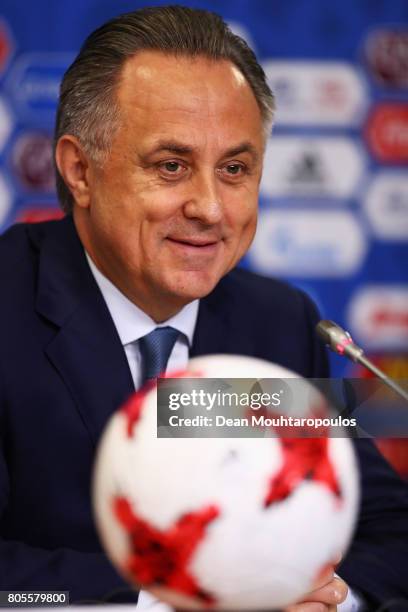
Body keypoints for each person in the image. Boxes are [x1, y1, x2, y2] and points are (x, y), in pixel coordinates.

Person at [0, 5, 407, 611]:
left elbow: (388, 528)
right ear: (79, 170)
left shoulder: (277, 322)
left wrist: (331, 599)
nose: (211, 209)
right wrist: (176, 604)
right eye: (172, 166)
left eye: (235, 170)